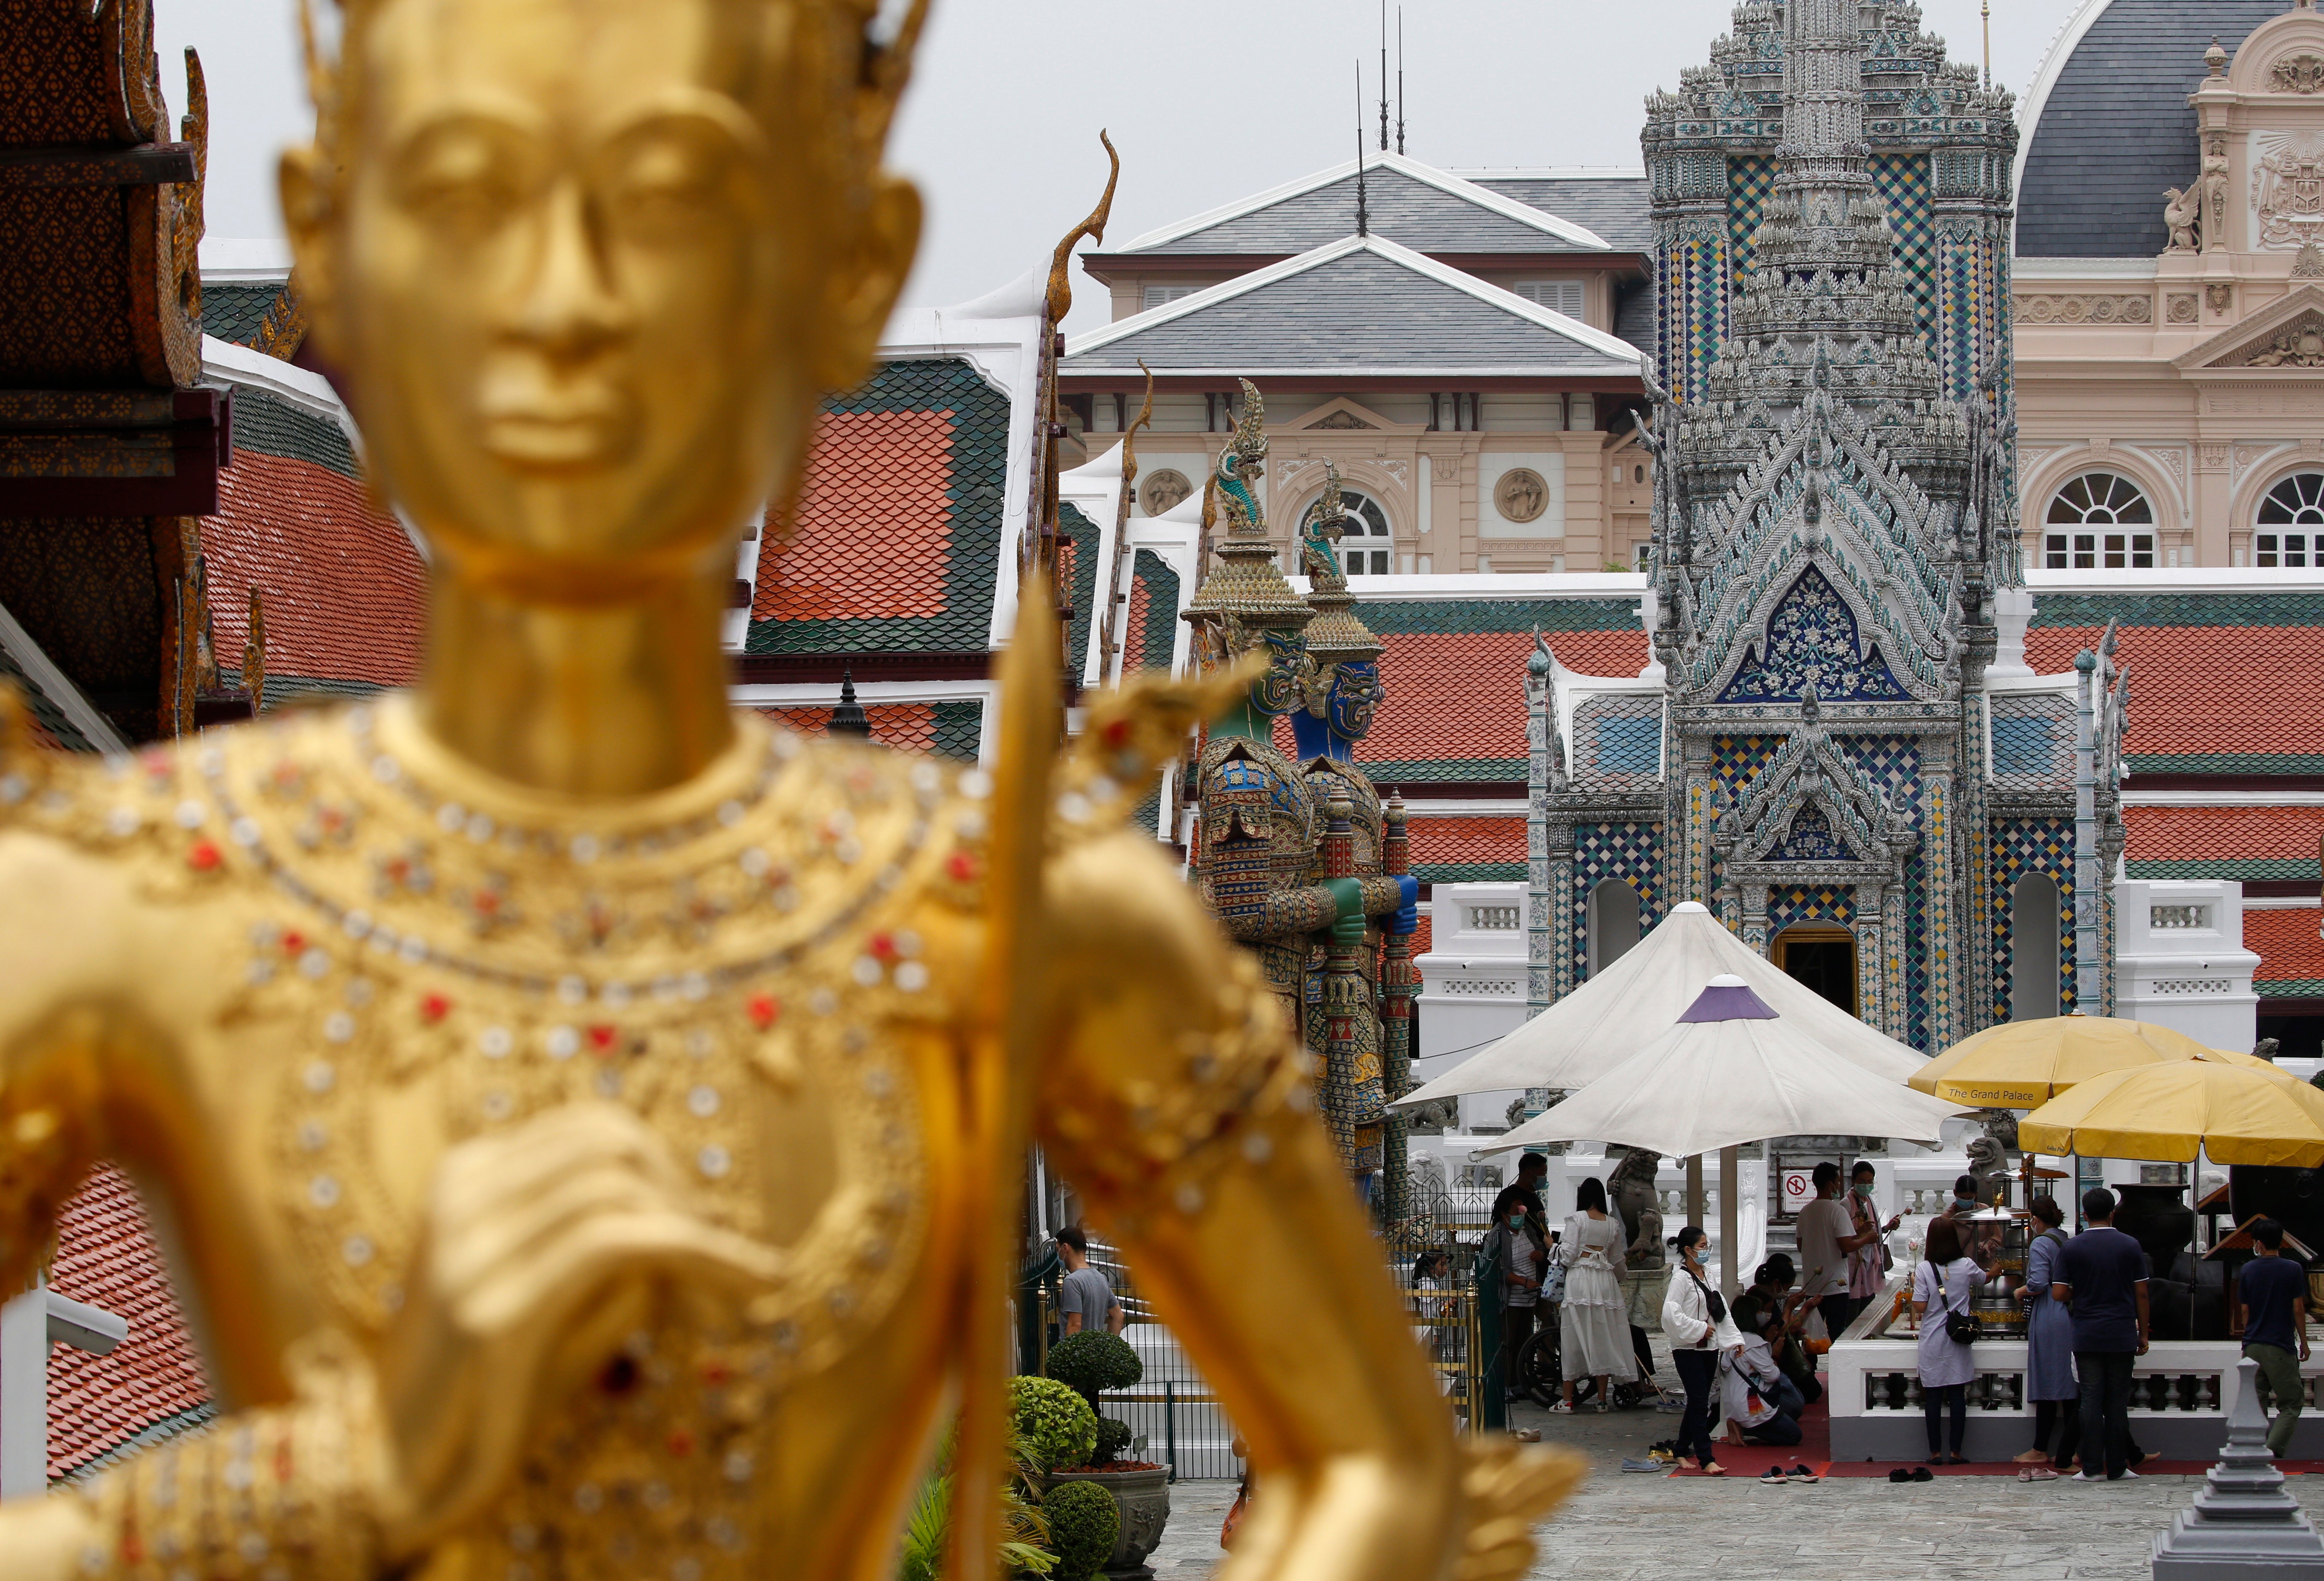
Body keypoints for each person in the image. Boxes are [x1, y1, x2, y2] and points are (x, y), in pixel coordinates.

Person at [2054, 1186, 2151, 1481]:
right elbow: (2142, 1294)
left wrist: (2081, 1291)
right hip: (2121, 1331)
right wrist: (2143, 1334)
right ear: (2113, 1214)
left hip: (2086, 1333)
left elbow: (2059, 1293)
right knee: (2118, 1401)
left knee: (2091, 1399)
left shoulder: (2072, 1248)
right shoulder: (2130, 1245)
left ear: (2084, 1215)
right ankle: (2119, 1466)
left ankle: (2092, 1467)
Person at [1662, 1226, 1743, 1475]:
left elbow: (1722, 1309)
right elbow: (1670, 1313)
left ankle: (1679, 1451)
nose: (1706, 1250)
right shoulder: (1681, 1279)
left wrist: (1734, 1340)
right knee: (1698, 1401)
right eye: (1702, 1246)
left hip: (1709, 1348)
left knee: (1700, 1402)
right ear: (1688, 1250)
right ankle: (1706, 1458)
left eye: (1707, 1246)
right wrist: (1699, 1329)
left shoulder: (1708, 1274)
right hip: (1688, 1349)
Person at [1554, 1177, 1637, 1413]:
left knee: (1574, 1336)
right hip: (1605, 1282)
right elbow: (1618, 1262)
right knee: (1604, 1336)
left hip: (1580, 1278)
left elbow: (1568, 1256)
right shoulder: (1612, 1224)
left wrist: (1554, 1246)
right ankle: (1602, 1400)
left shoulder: (1577, 1220)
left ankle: (1568, 1400)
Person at [1912, 1214, 1984, 1465]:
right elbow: (1984, 1279)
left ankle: (1934, 1453)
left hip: (1932, 1338)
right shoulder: (1966, 1265)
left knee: (1932, 1396)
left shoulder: (1924, 1269)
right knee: (1957, 1396)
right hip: (1958, 1337)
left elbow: (1920, 1307)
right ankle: (1955, 1452)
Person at [2237, 1217, 2311, 1457]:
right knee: (2291, 1403)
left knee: (2256, 1403)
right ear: (2281, 1242)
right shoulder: (2292, 1269)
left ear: (2258, 1243)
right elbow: (2298, 1309)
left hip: (2254, 1346)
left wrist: (2248, 1339)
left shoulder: (2248, 1269)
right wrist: (2305, 1343)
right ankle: (2273, 1448)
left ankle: (2255, 1449)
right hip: (2280, 1346)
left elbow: (2245, 1310)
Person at [2014, 1195, 2076, 1476]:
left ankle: (2041, 1447)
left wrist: (2021, 1291)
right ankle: (2075, 1447)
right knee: (2070, 1381)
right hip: (2069, 1312)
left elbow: (2038, 1282)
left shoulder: (2041, 1243)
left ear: (2036, 1220)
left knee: (2049, 1378)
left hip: (2050, 1312)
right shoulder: (2068, 1239)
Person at [1481, 1186, 1548, 1400]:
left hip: (1529, 1298)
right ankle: (1504, 1384)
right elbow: (1498, 1270)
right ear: (1504, 1213)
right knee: (1507, 1343)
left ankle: (1519, 1381)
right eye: (1515, 1210)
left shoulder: (1527, 1228)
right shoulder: (1497, 1235)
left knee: (1523, 1340)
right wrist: (1523, 1282)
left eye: (1522, 1210)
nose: (1520, 1215)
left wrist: (1540, 1253)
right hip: (1510, 1298)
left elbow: (1540, 1247)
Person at [1731, 1255, 1822, 1407]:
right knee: (1798, 1401)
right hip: (1768, 1361)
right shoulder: (1760, 1306)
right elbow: (1784, 1329)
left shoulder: (1773, 1300)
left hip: (1773, 1356)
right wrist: (1772, 1353)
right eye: (1787, 1288)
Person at [1720, 1303, 1804, 1449]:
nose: (1764, 1315)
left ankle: (1745, 1426)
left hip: (1733, 1403)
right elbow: (1772, 1376)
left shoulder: (1731, 1342)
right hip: (1753, 1404)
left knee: (1792, 1409)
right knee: (1794, 1435)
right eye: (1760, 1311)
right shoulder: (1753, 1343)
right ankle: (1745, 1429)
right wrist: (1775, 1357)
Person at [1793, 1162, 1855, 1342]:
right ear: (1830, 1184)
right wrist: (1867, 1239)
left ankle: (1810, 1369)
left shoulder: (1805, 1212)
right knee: (1837, 1332)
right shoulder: (1838, 1211)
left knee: (1811, 1334)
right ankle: (1837, 1370)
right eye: (1838, 1181)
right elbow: (1846, 1245)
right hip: (1836, 1286)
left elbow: (1800, 1246)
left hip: (1812, 1285)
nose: (1839, 1185)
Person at [1838, 1160, 1902, 1338]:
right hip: (1853, 1267)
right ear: (1853, 1181)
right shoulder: (1846, 1205)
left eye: (1869, 1182)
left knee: (1866, 1310)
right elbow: (1846, 1237)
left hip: (1868, 1266)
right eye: (1862, 1181)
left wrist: (1887, 1228)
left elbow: (1872, 1232)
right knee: (1853, 1314)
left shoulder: (1868, 1201)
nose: (1866, 1186)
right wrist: (1862, 1233)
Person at [1056, 1226, 1125, 1336]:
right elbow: (1118, 1316)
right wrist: (1109, 1347)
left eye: (1057, 1249)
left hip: (1078, 1352)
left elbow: (1075, 1325)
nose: (1058, 1254)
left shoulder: (1072, 1282)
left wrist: (1069, 1353)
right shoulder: (1100, 1278)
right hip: (1095, 1351)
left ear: (1065, 1248)